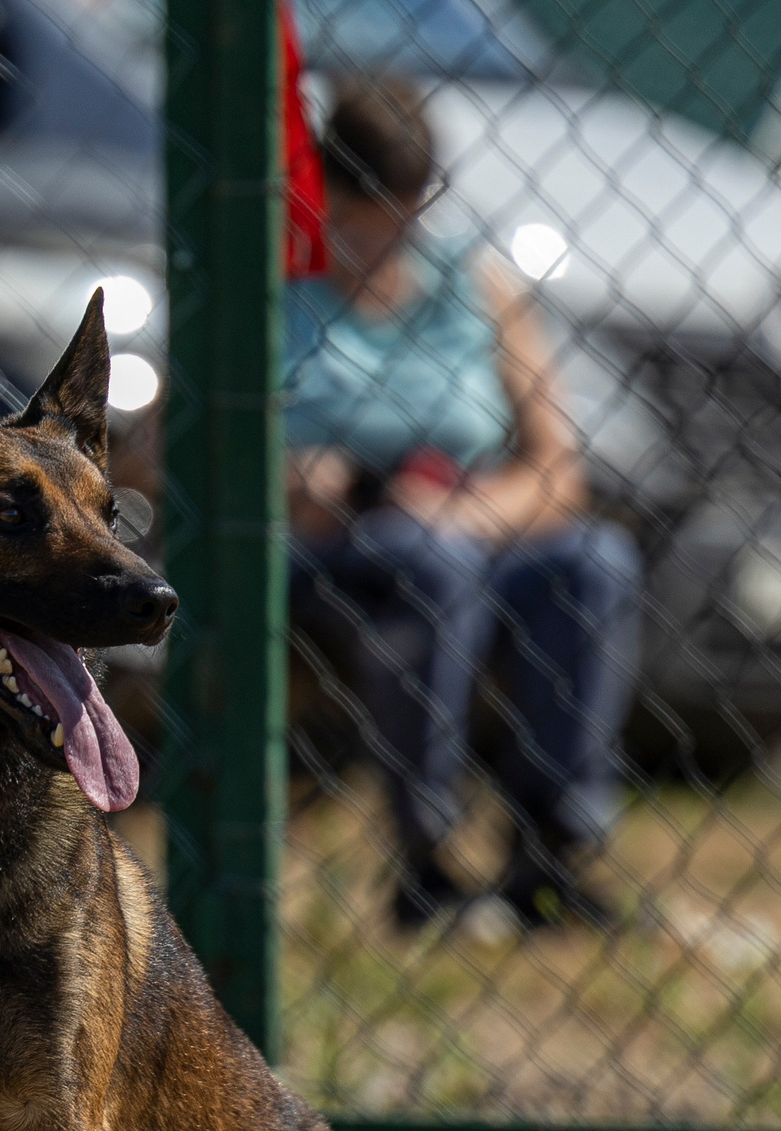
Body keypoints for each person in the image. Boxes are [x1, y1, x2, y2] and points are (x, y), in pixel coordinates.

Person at [285, 76, 642, 931]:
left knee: (591, 561)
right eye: (359, 225)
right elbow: (163, 446)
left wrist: (466, 513)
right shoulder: (278, 286)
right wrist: (290, 473)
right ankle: (427, 854)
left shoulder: (478, 286)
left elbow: (560, 472)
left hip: (463, 527)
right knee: (430, 564)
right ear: (323, 195)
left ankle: (553, 846)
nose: (382, 246)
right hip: (326, 548)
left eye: (402, 220)